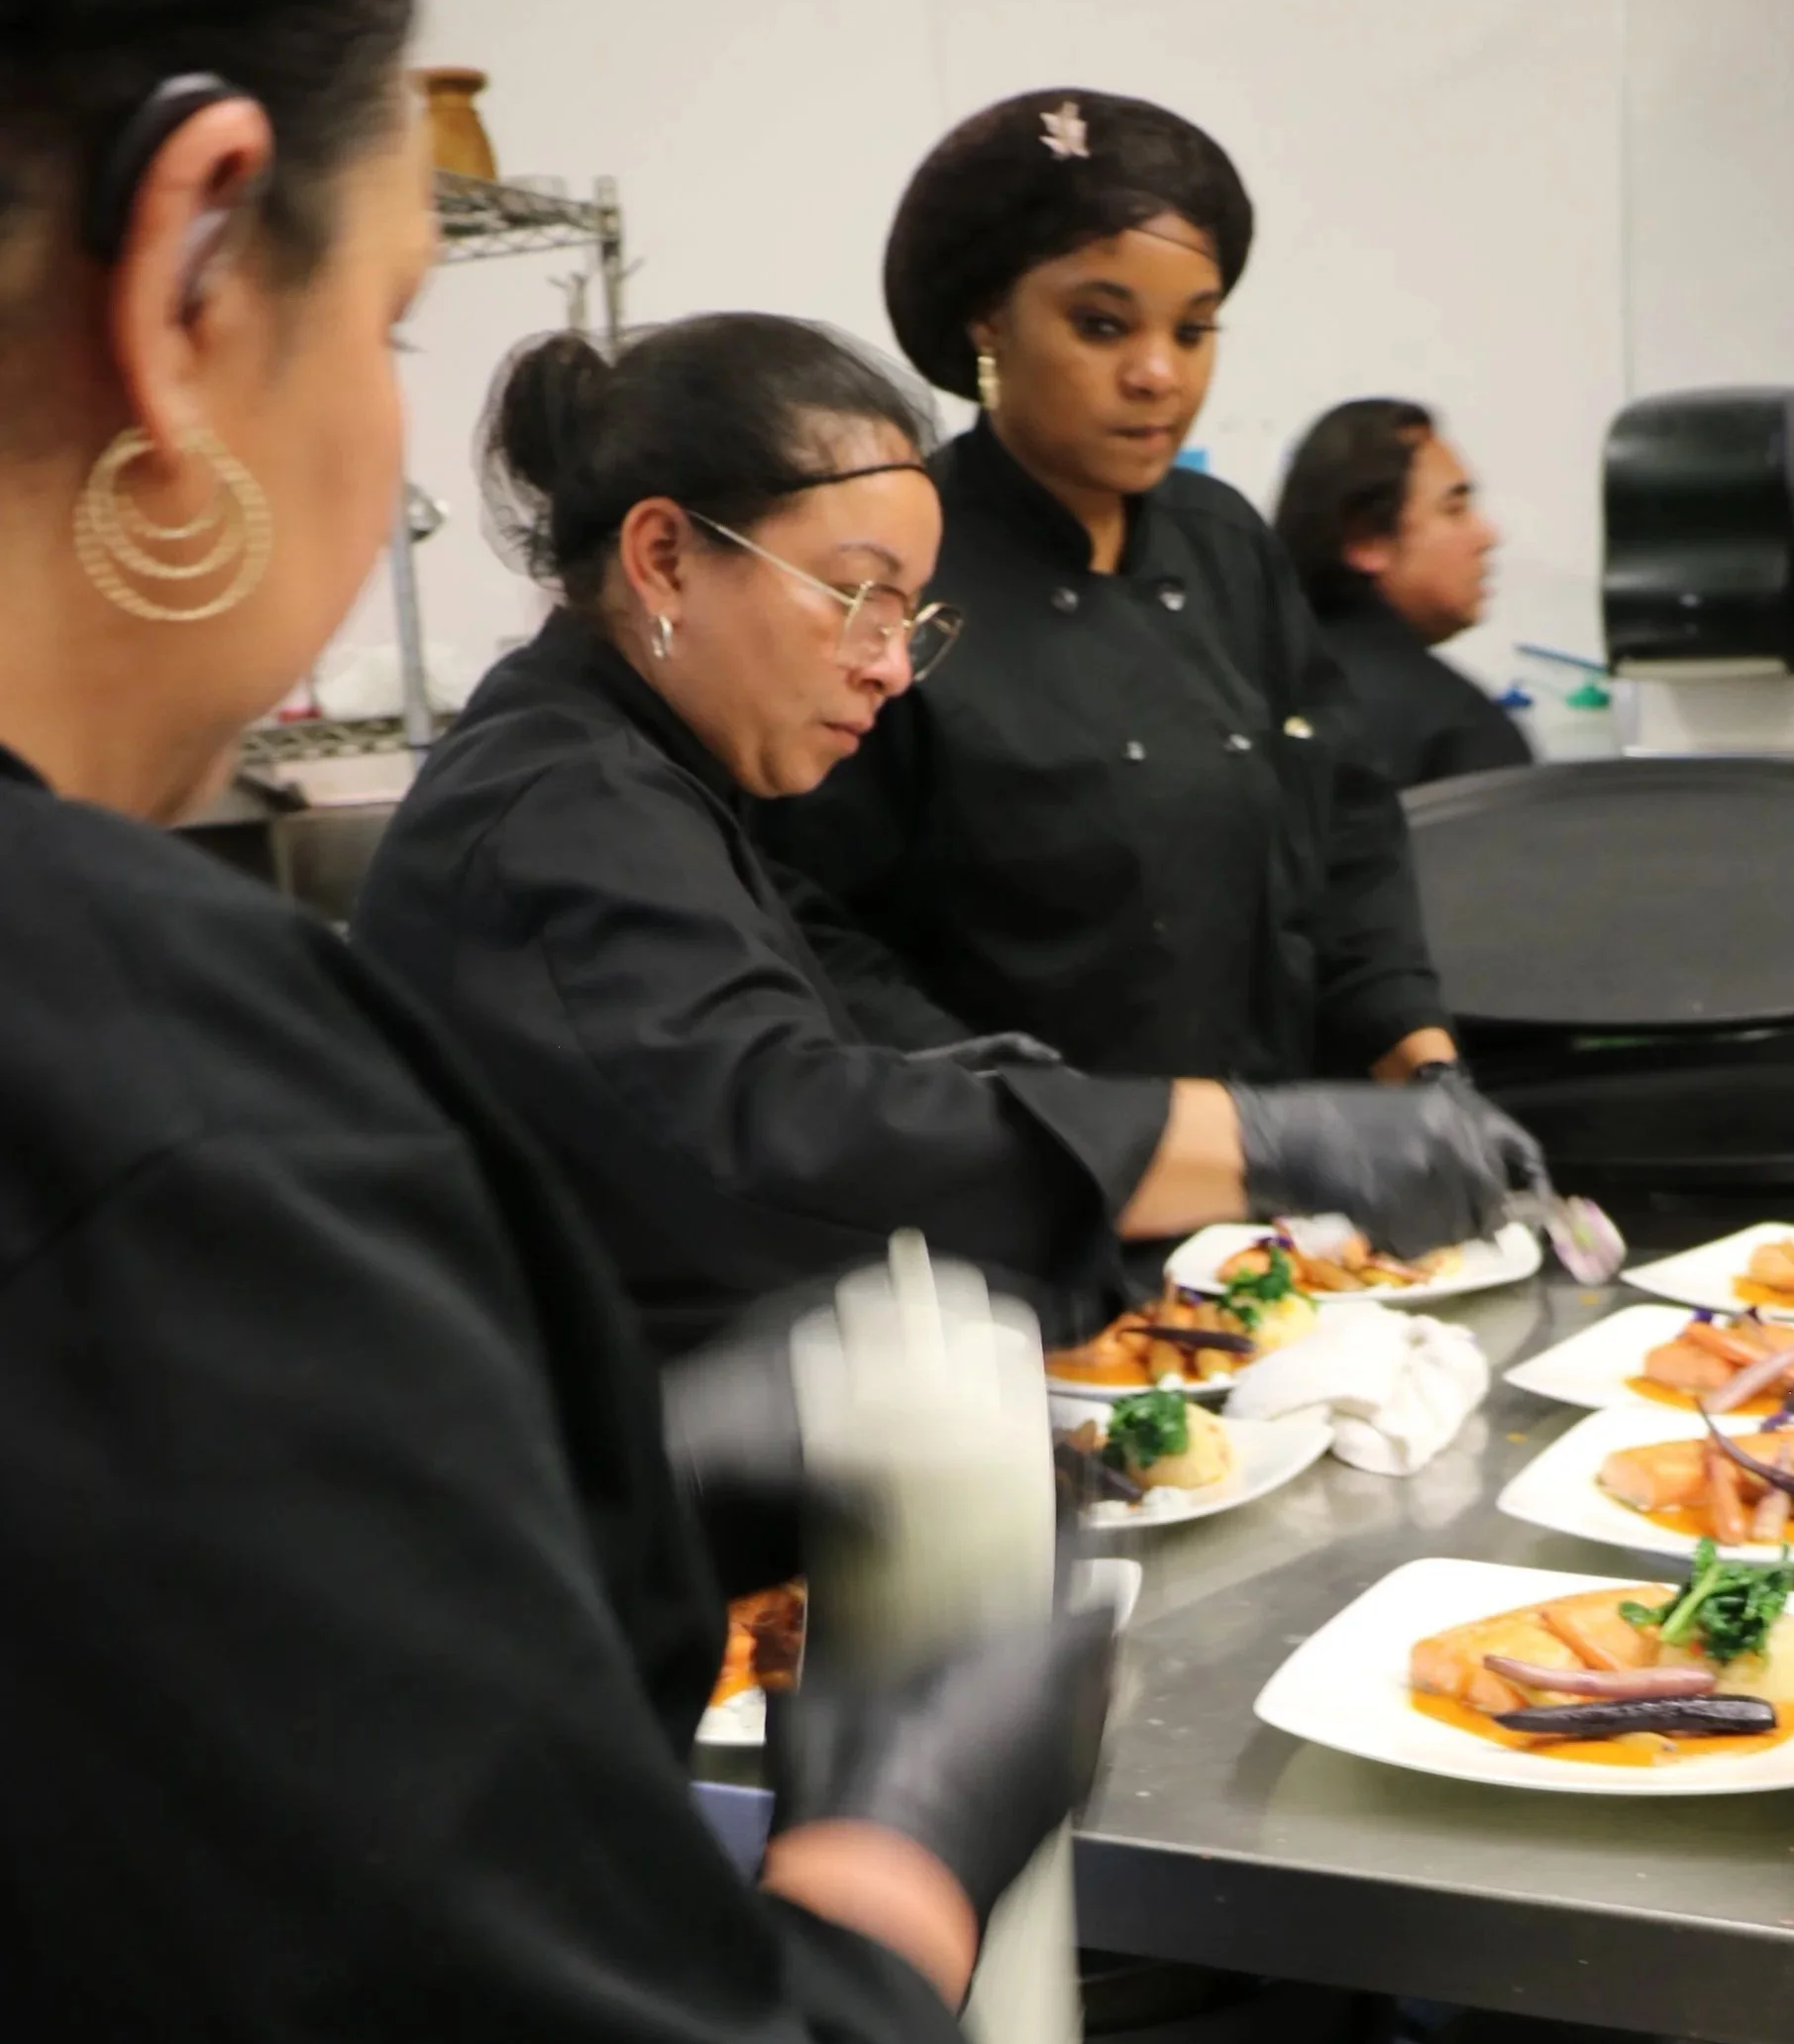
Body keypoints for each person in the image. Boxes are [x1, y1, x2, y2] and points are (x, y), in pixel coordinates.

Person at [0, 0, 1134, 2044]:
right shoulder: (138, 1098)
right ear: (196, 271)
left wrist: (582, 1467)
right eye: (378, 316)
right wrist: (908, 1837)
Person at [355, 313, 1534, 1354]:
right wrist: (1268, 1136)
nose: (888, 664)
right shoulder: (565, 799)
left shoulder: (652, 774)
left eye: (909, 614)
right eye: (854, 594)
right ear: (665, 558)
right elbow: (786, 1129)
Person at [755, 88, 1465, 1085]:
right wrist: (1026, 1118)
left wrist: (1422, 1067)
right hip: (1025, 1182)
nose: (1156, 375)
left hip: (1274, 1166)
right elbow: (809, 919)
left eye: (1193, 331)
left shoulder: (1227, 545)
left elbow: (1347, 834)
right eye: (1100, 325)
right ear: (988, 322)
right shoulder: (896, 570)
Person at [1274, 395, 1532, 788]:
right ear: (1367, 540)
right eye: (1454, 509)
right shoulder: (1456, 729)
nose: (1487, 535)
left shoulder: (1238, 687)